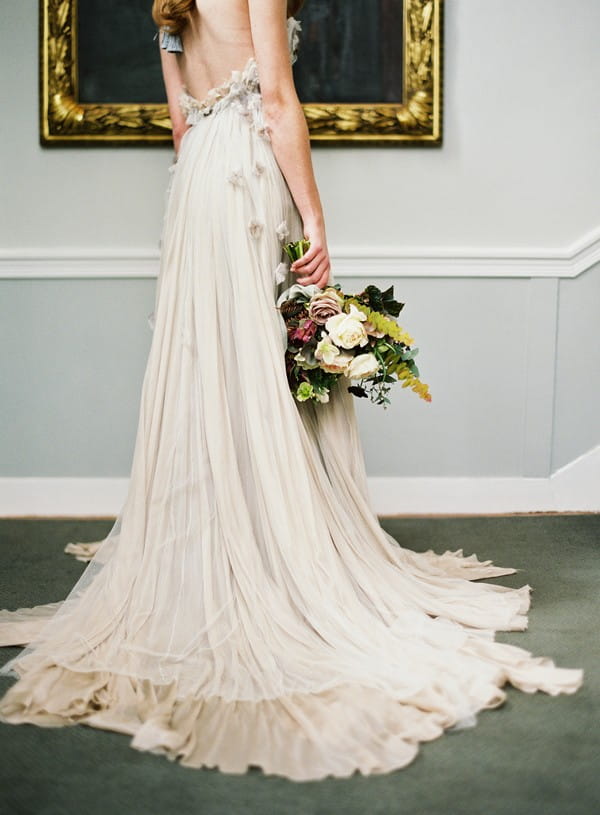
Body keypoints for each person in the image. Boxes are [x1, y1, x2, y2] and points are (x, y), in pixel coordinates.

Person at [0, 0, 583, 782]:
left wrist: (202, 183)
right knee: (259, 357)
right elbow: (276, 101)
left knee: (216, 360)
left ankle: (224, 529)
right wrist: (314, 217)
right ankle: (268, 545)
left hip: (200, 178)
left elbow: (179, 120)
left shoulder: (167, 5)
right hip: (245, 171)